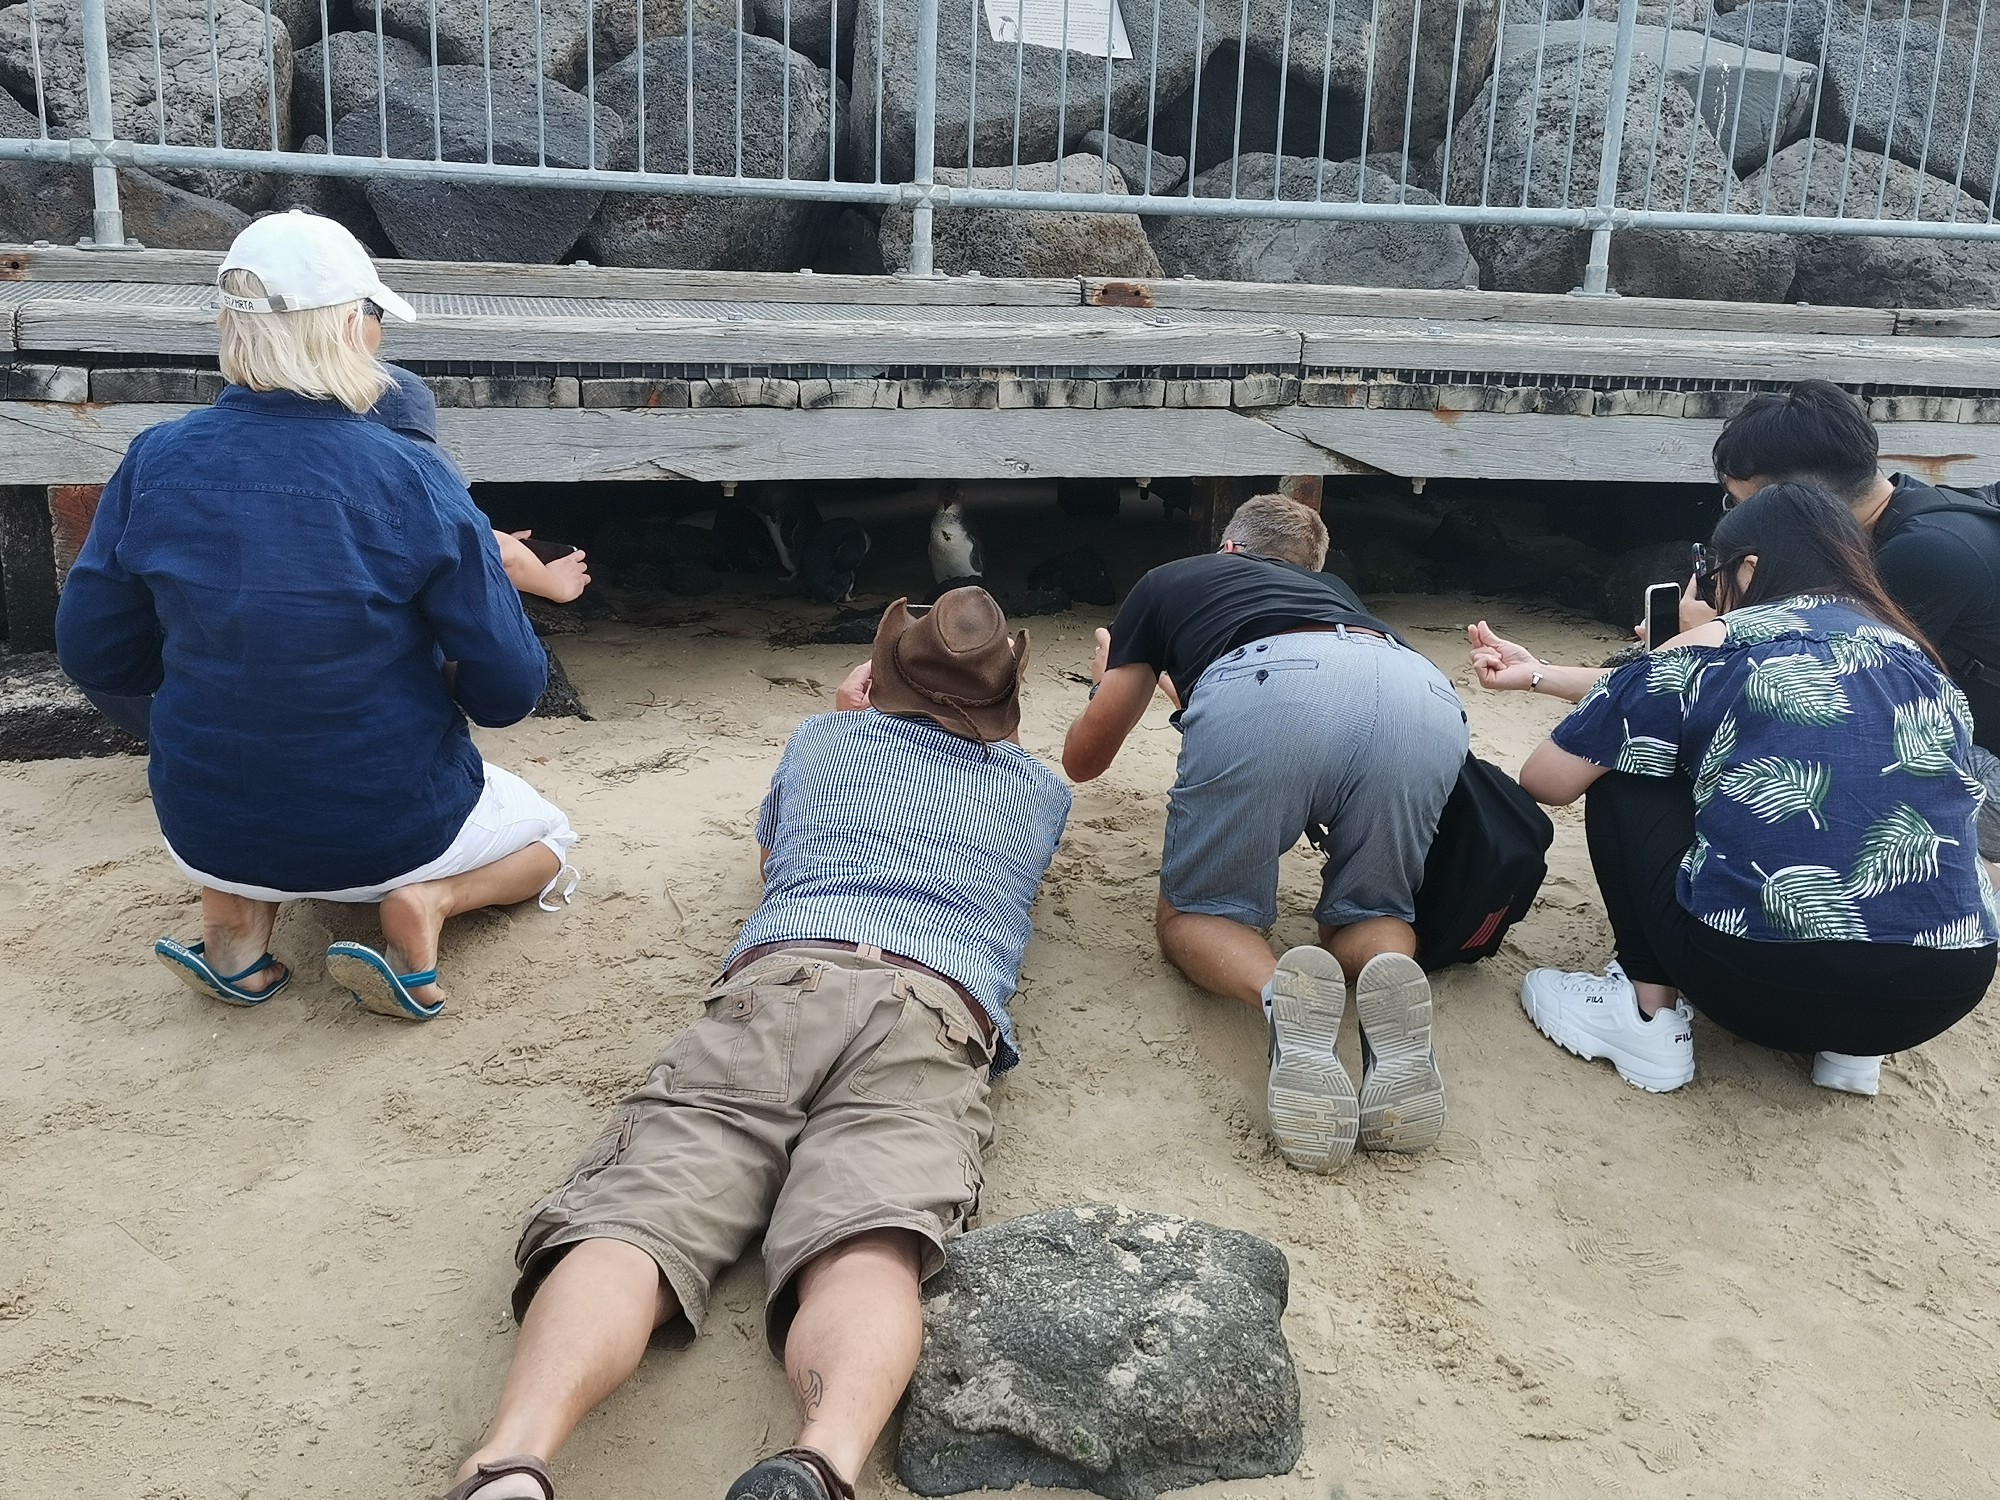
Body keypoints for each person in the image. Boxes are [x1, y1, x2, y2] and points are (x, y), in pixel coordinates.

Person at [446, 588, 1070, 1500]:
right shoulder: (1040, 790)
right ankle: (823, 1459)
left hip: (789, 974)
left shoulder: (824, 740)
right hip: (935, 1004)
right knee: (871, 1238)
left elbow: (774, 861)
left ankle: (512, 1461)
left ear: (883, 674)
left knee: (646, 1209)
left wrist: (853, 712)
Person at [54, 209, 576, 1022]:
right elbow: (510, 690)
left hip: (204, 818)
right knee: (550, 839)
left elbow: (93, 652)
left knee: (245, 787)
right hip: (384, 823)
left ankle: (234, 926)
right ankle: (427, 906)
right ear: (347, 325)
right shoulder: (411, 474)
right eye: (373, 317)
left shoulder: (153, 458)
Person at [1471, 483, 1997, 1097]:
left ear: (1748, 568)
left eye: (1712, 573)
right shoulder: (1918, 658)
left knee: (1626, 761)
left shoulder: (1712, 646)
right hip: (1940, 990)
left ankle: (1643, 1014)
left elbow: (1547, 778)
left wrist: (1666, 656)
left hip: (1751, 983)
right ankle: (1849, 1052)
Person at [1061, 494, 1467, 1173]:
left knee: (1197, 913)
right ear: (1310, 567)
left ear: (1228, 547)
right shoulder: (1336, 594)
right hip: (1419, 692)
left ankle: (1283, 998)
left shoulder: (1171, 580)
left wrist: (1105, 683)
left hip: (1268, 687)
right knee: (1373, 910)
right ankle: (1386, 976)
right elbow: (1301, 688)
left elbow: (1085, 759)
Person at [1710, 379, 2000, 871]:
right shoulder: (1907, 516)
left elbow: (1810, 684)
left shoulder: (1921, 554)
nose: (1738, 514)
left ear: (1787, 497)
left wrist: (1712, 631)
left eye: (1737, 502)